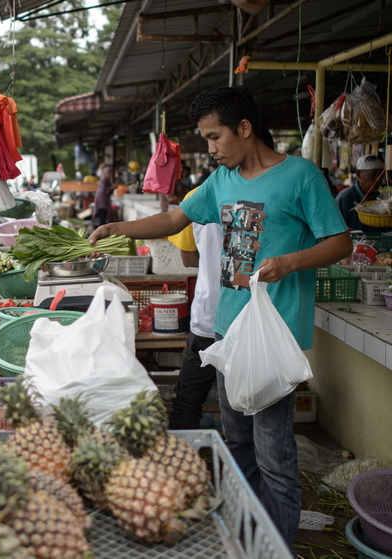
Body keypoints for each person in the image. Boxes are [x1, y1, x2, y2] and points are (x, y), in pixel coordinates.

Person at [90, 86, 351, 547]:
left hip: (273, 336)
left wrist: (289, 262)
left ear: (244, 129)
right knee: (236, 444)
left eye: (214, 137)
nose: (210, 149)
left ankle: (279, 545)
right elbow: (175, 222)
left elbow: (340, 242)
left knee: (274, 452)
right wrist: (118, 227)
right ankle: (249, 534)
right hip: (229, 333)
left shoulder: (301, 177)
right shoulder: (222, 181)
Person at [166, 186, 222, 430]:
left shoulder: (197, 196)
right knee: (249, 403)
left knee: (188, 400)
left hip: (208, 316)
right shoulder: (267, 192)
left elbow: (188, 259)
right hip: (250, 319)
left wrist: (212, 261)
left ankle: (183, 458)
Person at [335, 154, 386, 230]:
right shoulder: (344, 198)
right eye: (374, 174)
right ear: (358, 175)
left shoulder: (382, 198)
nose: (378, 179)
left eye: (380, 175)